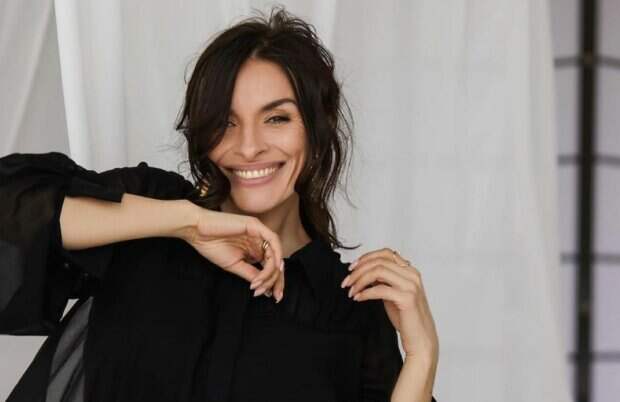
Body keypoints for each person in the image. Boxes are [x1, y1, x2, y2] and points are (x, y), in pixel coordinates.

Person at [0, 6, 438, 402]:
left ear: (317, 133)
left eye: (276, 118)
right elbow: (13, 212)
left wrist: (422, 355)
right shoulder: (151, 215)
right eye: (226, 122)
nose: (248, 147)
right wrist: (186, 223)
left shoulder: (351, 309)